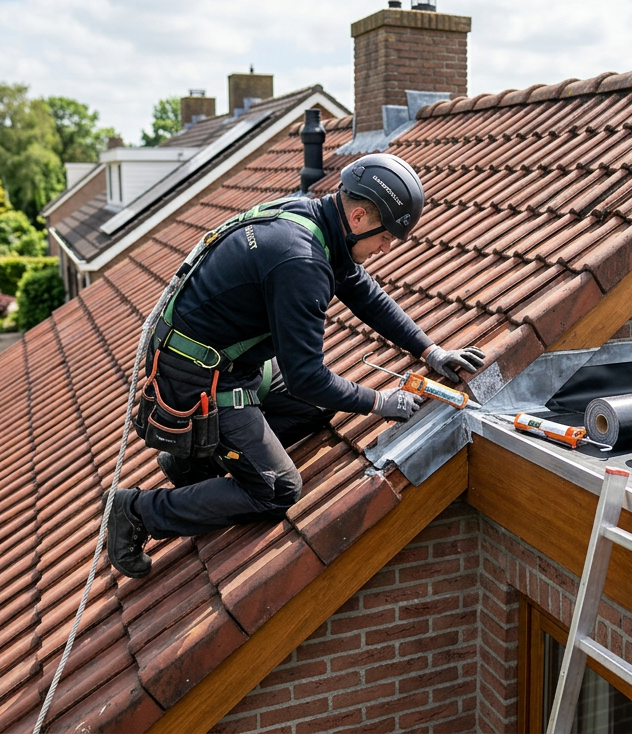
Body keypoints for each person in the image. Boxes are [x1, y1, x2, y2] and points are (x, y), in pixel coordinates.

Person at [106, 154, 485, 578]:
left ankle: (195, 461)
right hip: (201, 379)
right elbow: (307, 376)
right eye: (386, 237)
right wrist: (381, 401)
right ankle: (137, 511)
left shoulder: (312, 215)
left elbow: (363, 293)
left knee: (323, 404)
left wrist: (430, 350)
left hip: (230, 361)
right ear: (358, 217)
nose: (386, 248)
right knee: (277, 488)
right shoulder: (300, 263)